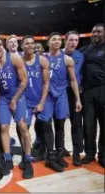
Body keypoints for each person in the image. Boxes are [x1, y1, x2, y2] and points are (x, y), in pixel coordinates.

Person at [0, 34, 33, 178]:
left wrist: (14, 99)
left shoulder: (14, 58)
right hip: (3, 98)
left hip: (17, 96)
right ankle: (7, 158)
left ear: (3, 46)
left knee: (22, 126)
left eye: (0, 44)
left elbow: (24, 81)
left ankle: (27, 160)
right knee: (3, 127)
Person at [20, 35, 63, 172]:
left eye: (32, 43)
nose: (30, 45)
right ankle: (25, 157)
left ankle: (50, 158)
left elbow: (46, 83)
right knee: (22, 127)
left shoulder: (42, 61)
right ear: (22, 46)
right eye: (27, 43)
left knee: (46, 125)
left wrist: (42, 102)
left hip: (41, 99)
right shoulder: (18, 61)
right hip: (25, 101)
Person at [46, 32, 82, 168]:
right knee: (46, 124)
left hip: (61, 95)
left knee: (60, 125)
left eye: (58, 39)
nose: (56, 41)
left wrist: (77, 100)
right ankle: (50, 155)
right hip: (47, 95)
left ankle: (60, 155)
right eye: (53, 39)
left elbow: (73, 81)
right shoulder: (42, 58)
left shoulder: (67, 59)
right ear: (48, 42)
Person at [79, 23, 105, 168]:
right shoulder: (84, 50)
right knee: (88, 125)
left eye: (99, 32)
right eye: (94, 32)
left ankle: (103, 155)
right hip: (88, 92)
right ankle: (89, 154)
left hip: (103, 89)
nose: (95, 34)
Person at [62, 31, 84, 166]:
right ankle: (60, 150)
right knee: (59, 124)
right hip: (60, 93)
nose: (73, 43)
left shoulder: (80, 56)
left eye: (76, 40)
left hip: (75, 93)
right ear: (65, 40)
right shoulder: (57, 54)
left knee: (76, 124)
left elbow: (81, 74)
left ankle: (76, 154)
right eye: (71, 40)